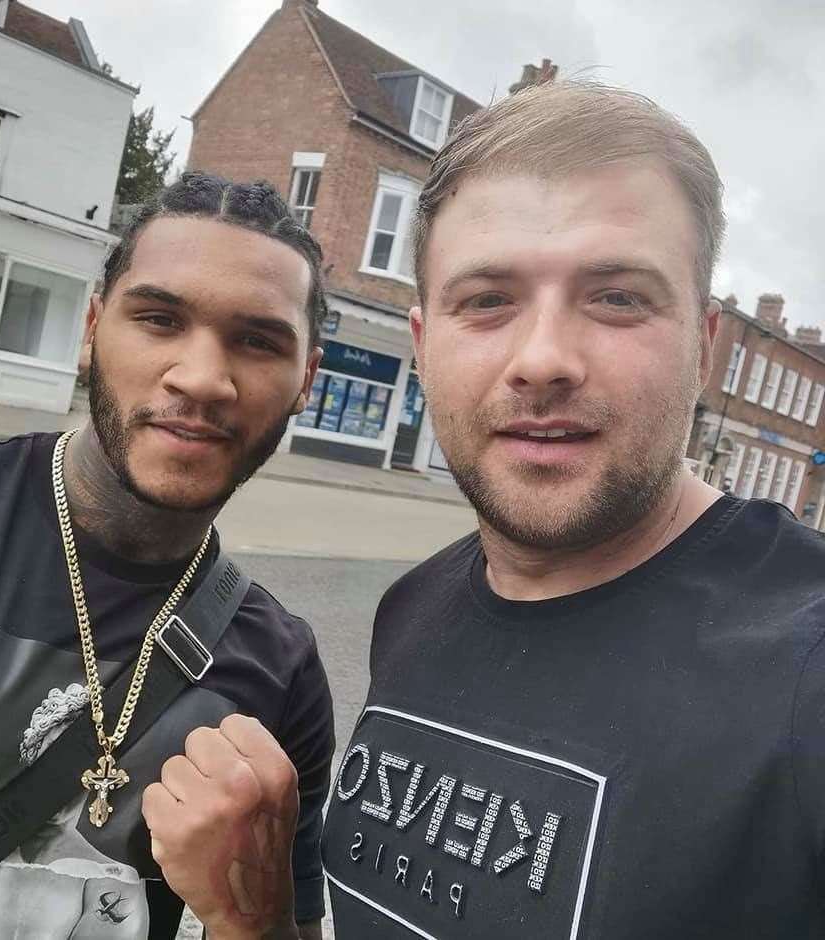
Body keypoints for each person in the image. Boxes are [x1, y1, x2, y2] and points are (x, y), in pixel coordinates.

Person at [316, 81, 825, 938]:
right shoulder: (412, 606)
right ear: (422, 345)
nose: (543, 359)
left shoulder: (804, 665)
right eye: (486, 300)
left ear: (703, 349)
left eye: (618, 296)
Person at [0, 172, 334, 940]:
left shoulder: (283, 670)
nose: (202, 378)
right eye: (158, 319)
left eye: (257, 341)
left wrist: (257, 914)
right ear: (91, 328)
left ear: (306, 379)